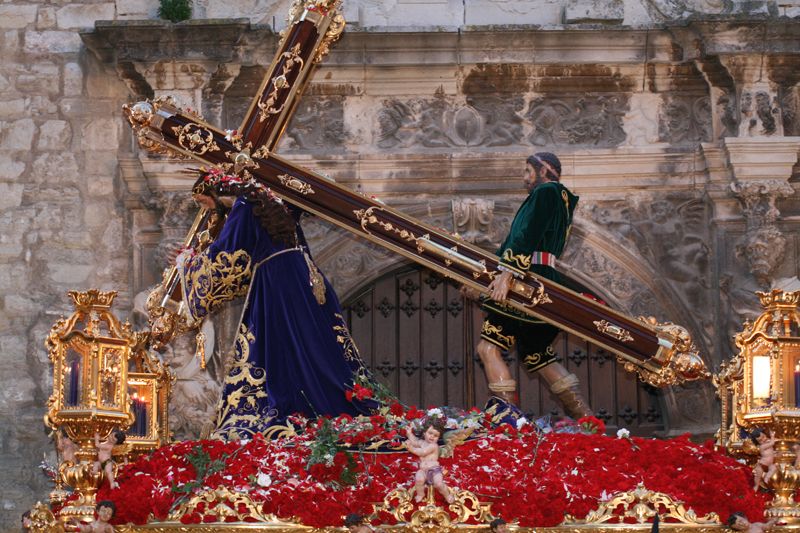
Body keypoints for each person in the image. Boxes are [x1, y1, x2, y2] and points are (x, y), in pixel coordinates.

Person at [178, 169, 376, 440]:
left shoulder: (244, 205)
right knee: (308, 341)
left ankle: (293, 407)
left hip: (277, 279)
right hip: (302, 272)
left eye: (203, 201)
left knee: (280, 344)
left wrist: (187, 264)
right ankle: (319, 401)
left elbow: (227, 257)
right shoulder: (271, 200)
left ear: (215, 190)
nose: (206, 209)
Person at [474, 152, 593, 420]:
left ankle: (508, 423)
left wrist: (508, 274)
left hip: (524, 282)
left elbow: (526, 233)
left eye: (528, 171)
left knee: (488, 348)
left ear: (545, 170)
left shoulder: (547, 192)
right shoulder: (563, 200)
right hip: (545, 283)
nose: (524, 178)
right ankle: (589, 422)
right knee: (537, 355)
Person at [404, 417, 454, 504]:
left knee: (439, 484)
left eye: (436, 435)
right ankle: (420, 494)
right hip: (423, 470)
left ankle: (447, 495)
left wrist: (411, 449)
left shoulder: (434, 446)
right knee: (418, 479)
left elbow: (423, 452)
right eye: (430, 433)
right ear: (424, 433)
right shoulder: (422, 442)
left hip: (434, 470)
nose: (432, 437)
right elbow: (415, 441)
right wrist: (409, 434)